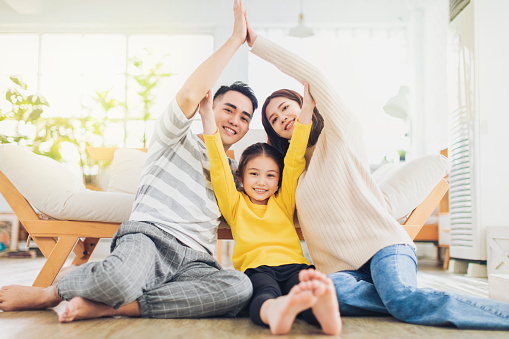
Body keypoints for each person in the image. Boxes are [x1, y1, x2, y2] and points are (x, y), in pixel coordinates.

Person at [245, 15, 509, 330]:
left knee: (401, 298)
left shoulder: (339, 131)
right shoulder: (292, 174)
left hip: (384, 245)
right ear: (275, 134)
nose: (281, 118)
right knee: (327, 296)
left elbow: (314, 75)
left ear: (306, 104)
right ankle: (407, 299)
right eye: (273, 120)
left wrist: (256, 42)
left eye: (285, 107)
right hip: (339, 271)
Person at [0, 0, 255, 322]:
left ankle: (116, 306)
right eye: (229, 109)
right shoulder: (172, 138)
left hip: (196, 258)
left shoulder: (235, 172)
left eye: (244, 117)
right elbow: (190, 96)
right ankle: (51, 292)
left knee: (238, 287)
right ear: (210, 106)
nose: (235, 119)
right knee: (118, 280)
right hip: (150, 238)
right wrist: (235, 40)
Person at [199, 84, 341, 335]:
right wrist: (207, 117)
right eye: (254, 174)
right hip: (258, 269)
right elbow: (219, 166)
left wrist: (306, 108)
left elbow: (295, 157)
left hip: (296, 266)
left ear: (279, 181)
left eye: (270, 175)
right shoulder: (234, 203)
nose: (262, 182)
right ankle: (277, 310)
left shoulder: (283, 201)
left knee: (307, 291)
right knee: (264, 295)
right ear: (241, 178)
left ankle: (324, 313)